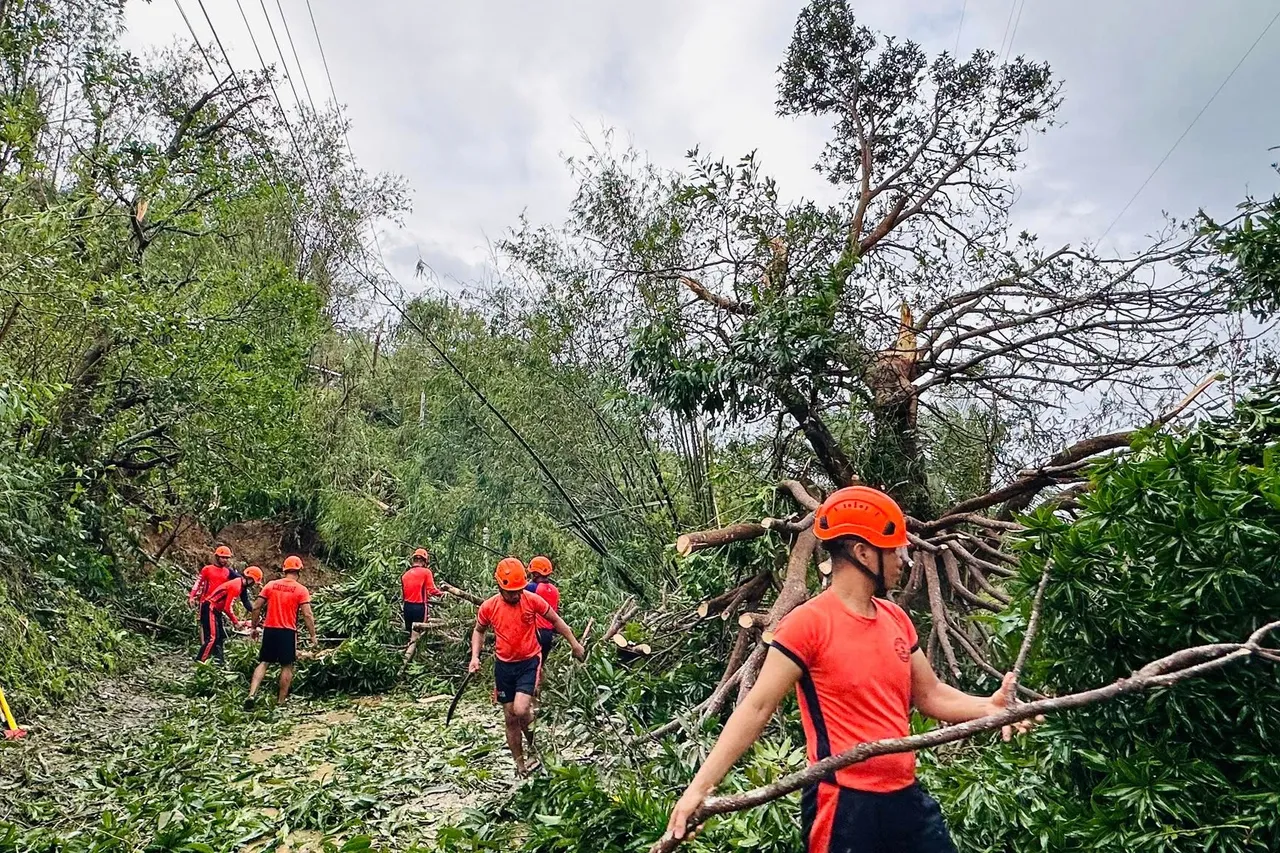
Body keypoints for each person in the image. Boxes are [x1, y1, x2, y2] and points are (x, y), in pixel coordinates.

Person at [663, 485, 1040, 852]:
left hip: (906, 800)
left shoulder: (896, 619)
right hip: (844, 806)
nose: (901, 562)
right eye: (893, 552)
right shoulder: (807, 624)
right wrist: (699, 788)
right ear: (863, 552)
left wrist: (989, 708)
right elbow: (756, 708)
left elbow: (930, 694)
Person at [469, 557, 586, 776]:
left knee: (521, 709)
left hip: (528, 662)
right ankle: (520, 763)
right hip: (504, 666)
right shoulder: (489, 607)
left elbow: (556, 620)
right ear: (500, 587)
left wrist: (575, 644)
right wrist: (475, 657)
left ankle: (533, 745)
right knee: (510, 717)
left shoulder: (532, 600)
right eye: (511, 592)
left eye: (518, 591)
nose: (515, 595)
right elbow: (479, 630)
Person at [246, 555, 317, 709]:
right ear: (299, 571)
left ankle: (251, 695)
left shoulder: (271, 585)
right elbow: (307, 614)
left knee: (264, 662)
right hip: (287, 631)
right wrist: (313, 635)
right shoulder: (301, 590)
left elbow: (256, 606)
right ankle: (280, 702)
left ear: (284, 569)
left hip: (270, 629)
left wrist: (253, 627)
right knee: (287, 665)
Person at [201, 566, 264, 663]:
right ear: (250, 579)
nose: (253, 585)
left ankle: (219, 662)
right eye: (254, 582)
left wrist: (255, 612)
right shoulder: (236, 586)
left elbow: (245, 602)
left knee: (220, 636)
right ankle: (201, 661)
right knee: (212, 638)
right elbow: (227, 608)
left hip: (215, 609)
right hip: (210, 607)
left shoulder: (241, 586)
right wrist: (235, 622)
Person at [189, 545, 236, 663]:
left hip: (218, 606)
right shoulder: (207, 569)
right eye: (222, 557)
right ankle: (204, 652)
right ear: (217, 557)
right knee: (205, 627)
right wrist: (192, 596)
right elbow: (198, 583)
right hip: (206, 602)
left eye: (227, 558)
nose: (225, 560)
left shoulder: (228, 572)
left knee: (216, 632)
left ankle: (215, 656)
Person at [525, 555, 560, 662]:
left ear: (535, 574)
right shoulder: (555, 590)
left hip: (535, 633)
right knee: (539, 664)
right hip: (548, 634)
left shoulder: (532, 588)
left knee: (529, 665)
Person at [400, 548, 444, 633]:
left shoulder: (405, 575)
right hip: (419, 607)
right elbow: (431, 590)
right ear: (425, 561)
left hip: (406, 607)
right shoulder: (426, 572)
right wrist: (443, 594)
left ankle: (409, 645)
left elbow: (404, 594)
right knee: (417, 635)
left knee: (410, 633)